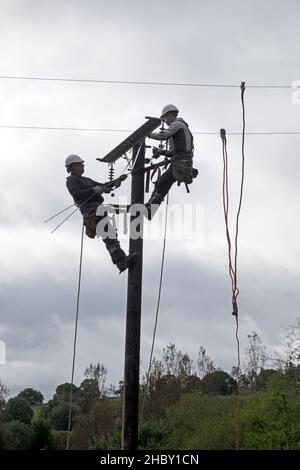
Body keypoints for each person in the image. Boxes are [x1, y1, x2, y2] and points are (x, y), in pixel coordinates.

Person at [65, 154, 138, 273]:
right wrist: (93, 190)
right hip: (91, 212)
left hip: (99, 210)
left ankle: (121, 261)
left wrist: (116, 181)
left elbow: (103, 186)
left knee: (110, 235)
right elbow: (77, 194)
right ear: (72, 167)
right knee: (109, 235)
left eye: (82, 164)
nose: (82, 166)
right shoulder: (71, 181)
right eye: (80, 165)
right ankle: (121, 261)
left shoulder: (86, 180)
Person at [146, 104, 194, 219]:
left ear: (170, 115)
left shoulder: (177, 124)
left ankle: (150, 209)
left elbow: (164, 135)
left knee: (163, 182)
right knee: (161, 182)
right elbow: (173, 151)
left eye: (165, 118)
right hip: (180, 161)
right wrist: (161, 152)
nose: (165, 122)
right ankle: (149, 208)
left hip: (181, 162)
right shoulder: (180, 127)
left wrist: (147, 134)